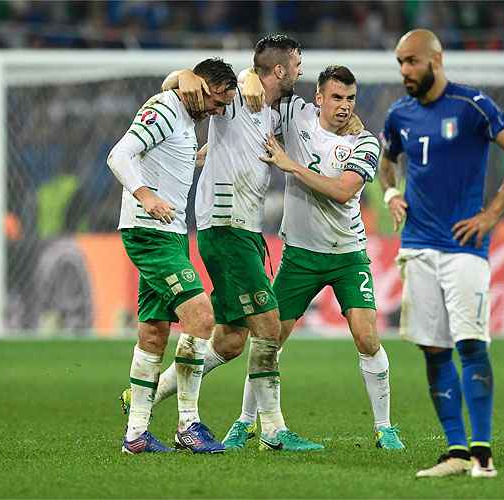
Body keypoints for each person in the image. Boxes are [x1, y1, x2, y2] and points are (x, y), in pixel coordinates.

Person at [145, 34, 323, 452]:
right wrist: (184, 74)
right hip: (225, 227)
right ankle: (274, 431)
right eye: (296, 63)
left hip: (243, 231)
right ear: (279, 69)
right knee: (268, 323)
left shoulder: (272, 111)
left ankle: (145, 394)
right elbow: (178, 87)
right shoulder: (236, 98)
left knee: (231, 339)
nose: (300, 69)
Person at [379, 29, 504, 478]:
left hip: (464, 248)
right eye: (400, 63)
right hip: (417, 247)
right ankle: (456, 452)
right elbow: (386, 159)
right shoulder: (399, 113)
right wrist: (392, 191)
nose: (405, 71)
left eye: (412, 61)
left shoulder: (473, 106)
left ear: (436, 58)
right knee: (433, 350)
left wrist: (492, 214)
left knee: (470, 345)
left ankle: (483, 455)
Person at [242, 65, 405, 451]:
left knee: (367, 337)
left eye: (350, 99)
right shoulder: (295, 115)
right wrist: (249, 74)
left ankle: (384, 428)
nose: (344, 106)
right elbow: (259, 95)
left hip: (347, 255)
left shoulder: (365, 144)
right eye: (336, 97)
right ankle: (246, 422)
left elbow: (343, 192)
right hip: (299, 255)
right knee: (269, 340)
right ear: (318, 98)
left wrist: (290, 165)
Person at [108, 57, 237, 454]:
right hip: (151, 234)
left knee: (153, 333)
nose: (218, 111)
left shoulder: (182, 116)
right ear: (200, 87)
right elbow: (119, 155)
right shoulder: (166, 108)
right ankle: (188, 424)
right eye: (217, 101)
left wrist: (190, 160)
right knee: (201, 316)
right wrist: (145, 195)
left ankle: (136, 435)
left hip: (172, 235)